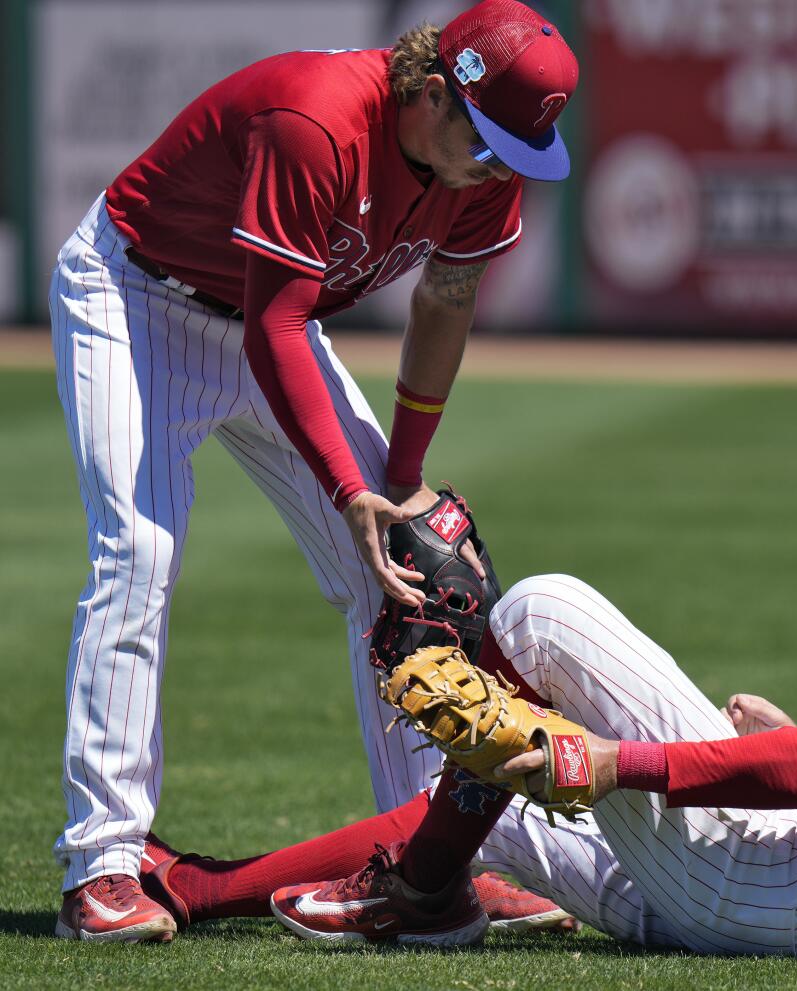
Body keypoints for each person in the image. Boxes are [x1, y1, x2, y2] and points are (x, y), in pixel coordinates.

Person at [132, 397, 797, 953]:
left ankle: (418, 886)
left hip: (776, 891)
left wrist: (616, 762)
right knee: (481, 818)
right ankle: (210, 887)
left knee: (539, 612)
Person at [49, 0, 579, 942]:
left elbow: (446, 303)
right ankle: (102, 867)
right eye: (491, 139)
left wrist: (400, 483)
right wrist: (350, 490)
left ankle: (431, 866)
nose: (500, 163)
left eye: (517, 148)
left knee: (404, 575)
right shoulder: (317, 118)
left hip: (266, 324)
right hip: (133, 294)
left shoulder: (480, 166)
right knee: (137, 555)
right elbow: (275, 324)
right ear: (431, 91)